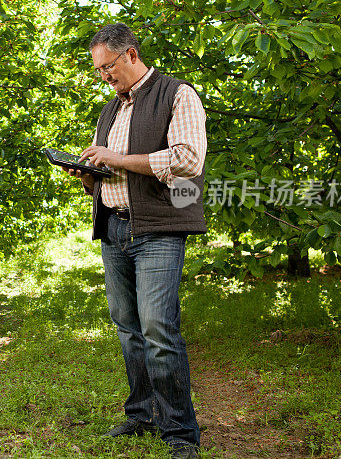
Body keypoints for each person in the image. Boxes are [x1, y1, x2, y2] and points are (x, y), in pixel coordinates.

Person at [63, 23, 207, 459]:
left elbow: (187, 161)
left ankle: (180, 434)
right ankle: (142, 415)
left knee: (158, 330)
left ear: (131, 55)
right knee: (128, 329)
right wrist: (89, 175)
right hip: (115, 229)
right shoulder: (111, 110)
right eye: (98, 70)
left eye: (108, 67)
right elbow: (111, 171)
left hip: (160, 229)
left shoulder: (177, 94)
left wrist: (117, 159)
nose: (103, 76)